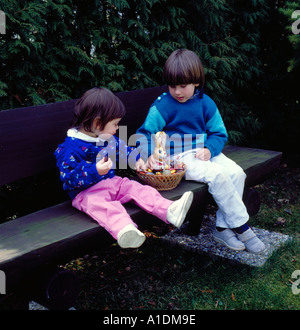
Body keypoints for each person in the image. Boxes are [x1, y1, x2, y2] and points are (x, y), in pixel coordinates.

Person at [136, 49, 265, 253]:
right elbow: (144, 133)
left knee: (236, 173)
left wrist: (209, 149)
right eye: (172, 86)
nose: (177, 92)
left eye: (183, 86)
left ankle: (222, 228)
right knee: (217, 175)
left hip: (204, 153)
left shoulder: (206, 103)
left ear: (196, 82)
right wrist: (149, 153)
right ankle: (242, 226)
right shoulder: (163, 105)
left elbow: (219, 133)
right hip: (179, 158)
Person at [54, 87, 193, 249]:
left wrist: (137, 160)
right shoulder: (70, 148)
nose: (117, 128)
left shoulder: (106, 138)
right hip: (86, 193)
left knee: (135, 188)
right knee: (106, 208)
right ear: (98, 123)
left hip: (112, 183)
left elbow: (123, 149)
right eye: (115, 124)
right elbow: (69, 179)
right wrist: (95, 171)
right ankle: (125, 230)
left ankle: (170, 210)